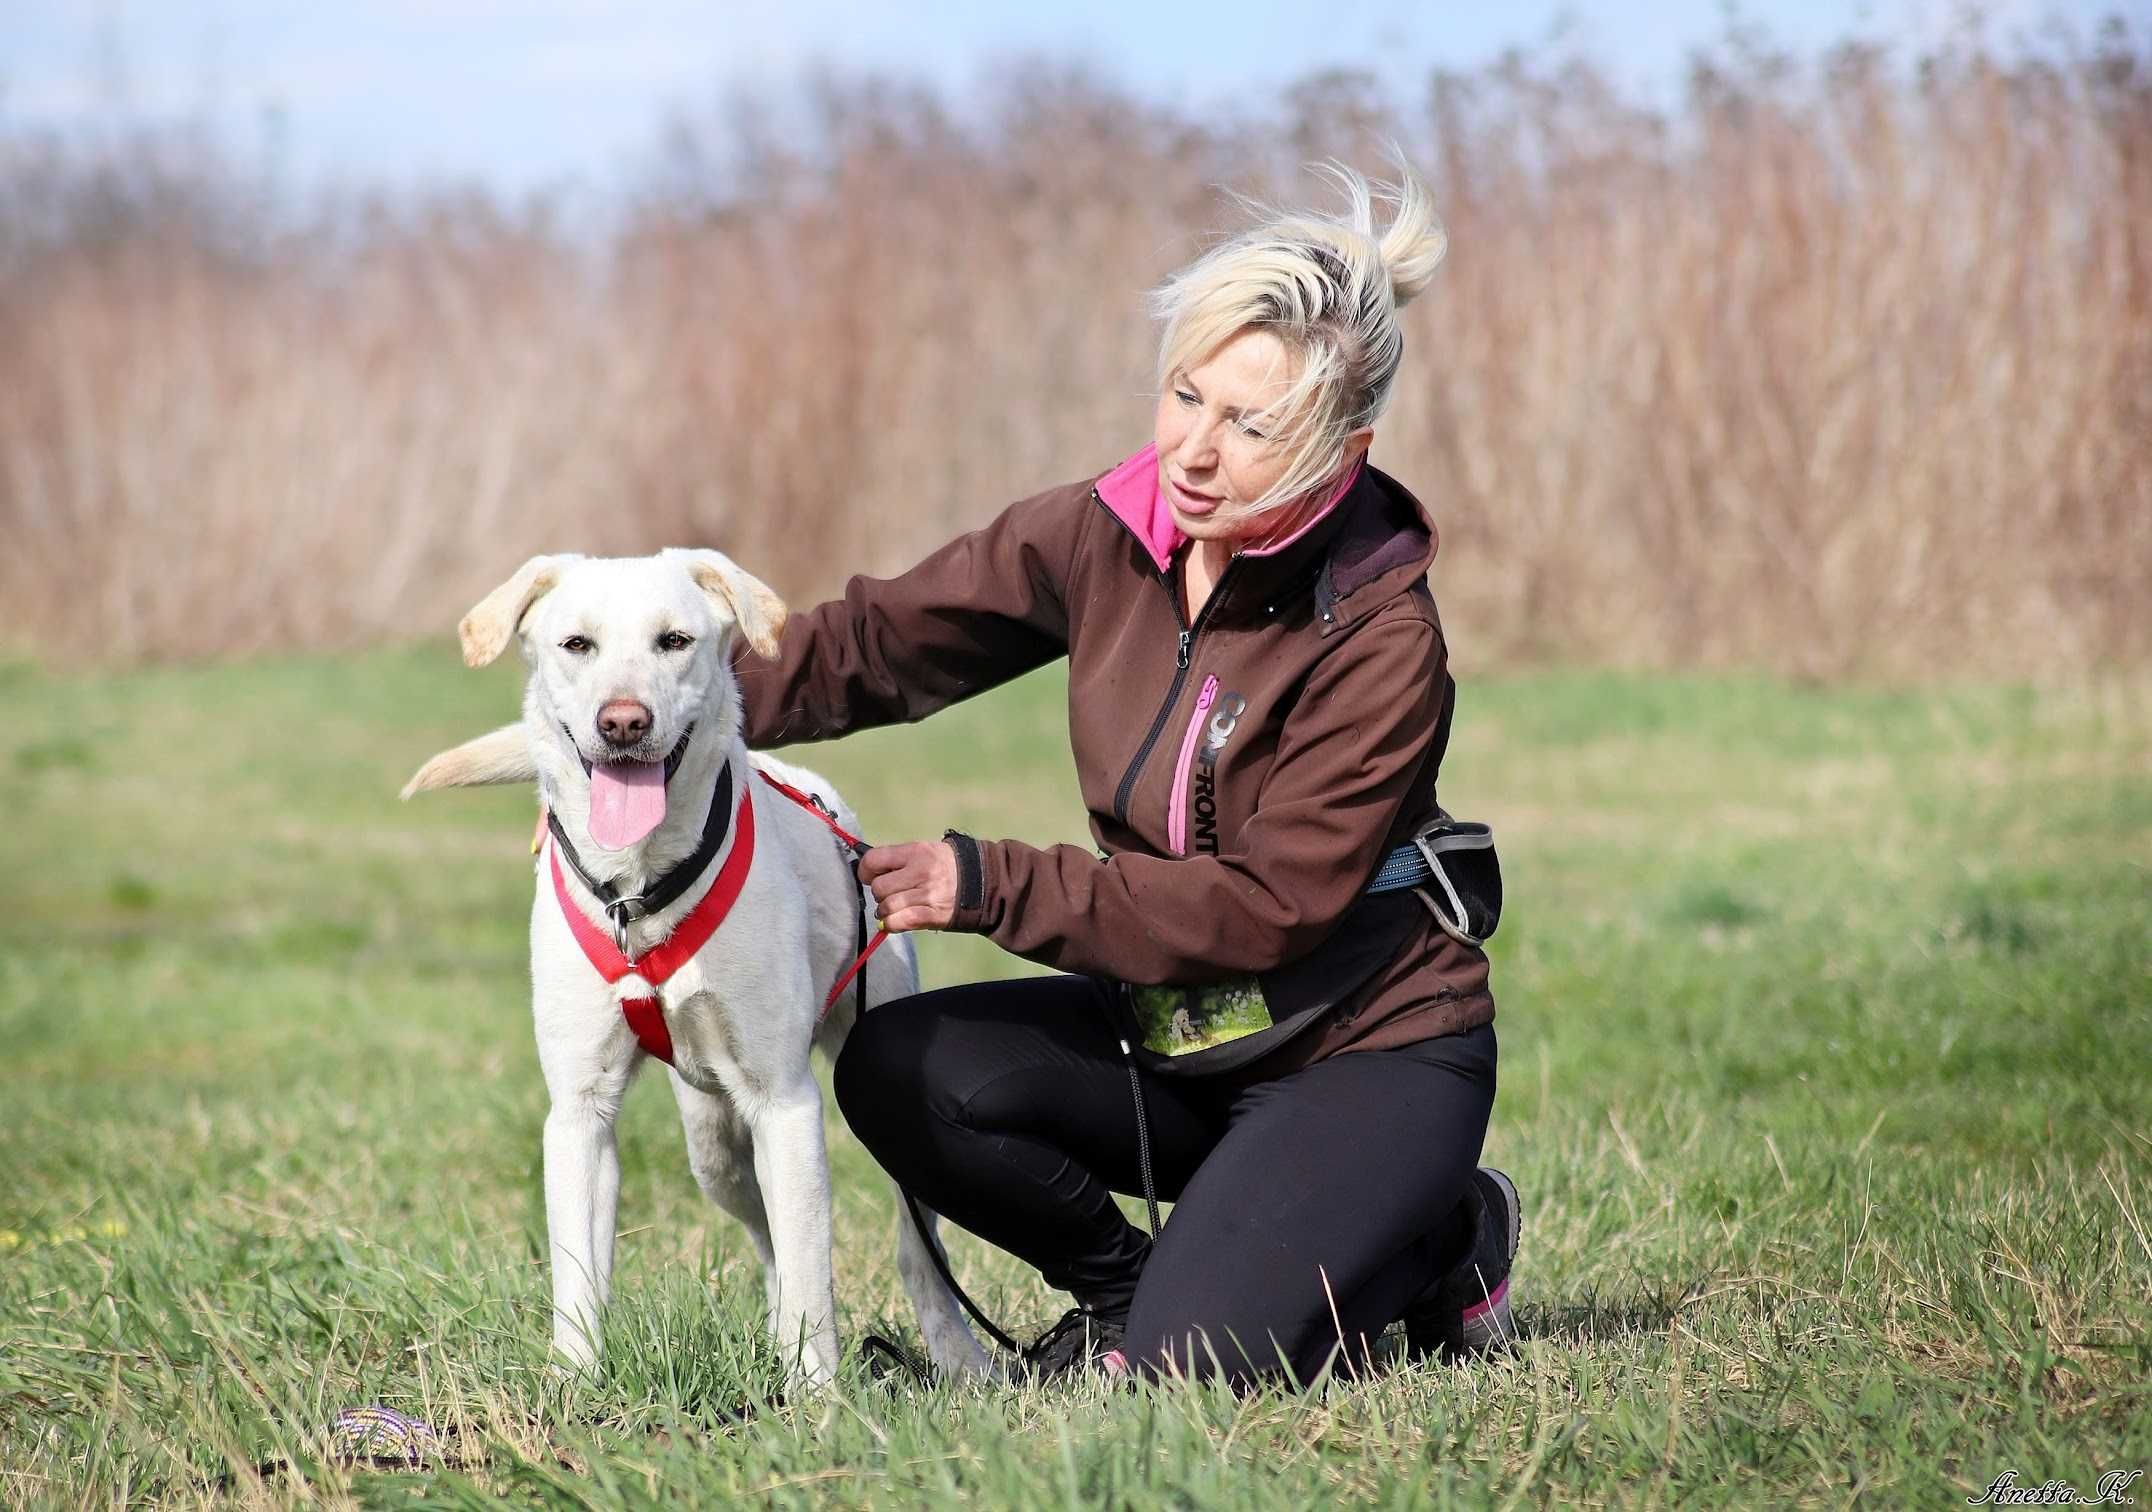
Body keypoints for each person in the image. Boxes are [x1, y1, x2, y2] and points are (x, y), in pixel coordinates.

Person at [731, 157, 1518, 1389]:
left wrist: (988, 883)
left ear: (1342, 447)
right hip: (1173, 1035)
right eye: (1183, 396)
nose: (1193, 452)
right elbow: (878, 644)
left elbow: (1266, 908)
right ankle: (1122, 1295)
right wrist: (667, 704)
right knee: (897, 1070)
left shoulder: (1379, 637)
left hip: (1359, 1051)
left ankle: (1443, 1234)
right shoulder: (1105, 531)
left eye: (1251, 427)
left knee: (1193, 1371)